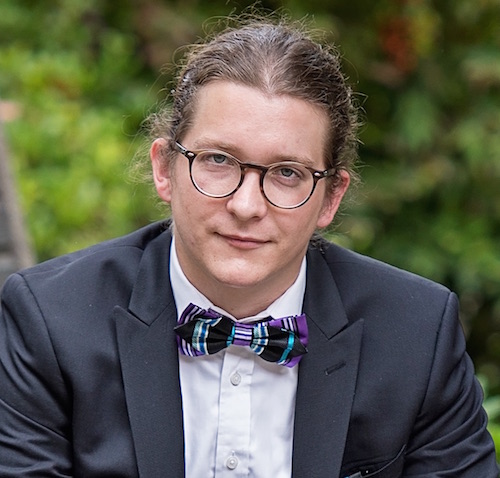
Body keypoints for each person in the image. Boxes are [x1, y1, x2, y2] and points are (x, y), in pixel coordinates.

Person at [0, 14, 498, 478]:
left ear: (330, 198)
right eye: (218, 160)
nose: (246, 205)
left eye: (287, 173)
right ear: (163, 168)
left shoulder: (417, 333)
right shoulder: (48, 319)